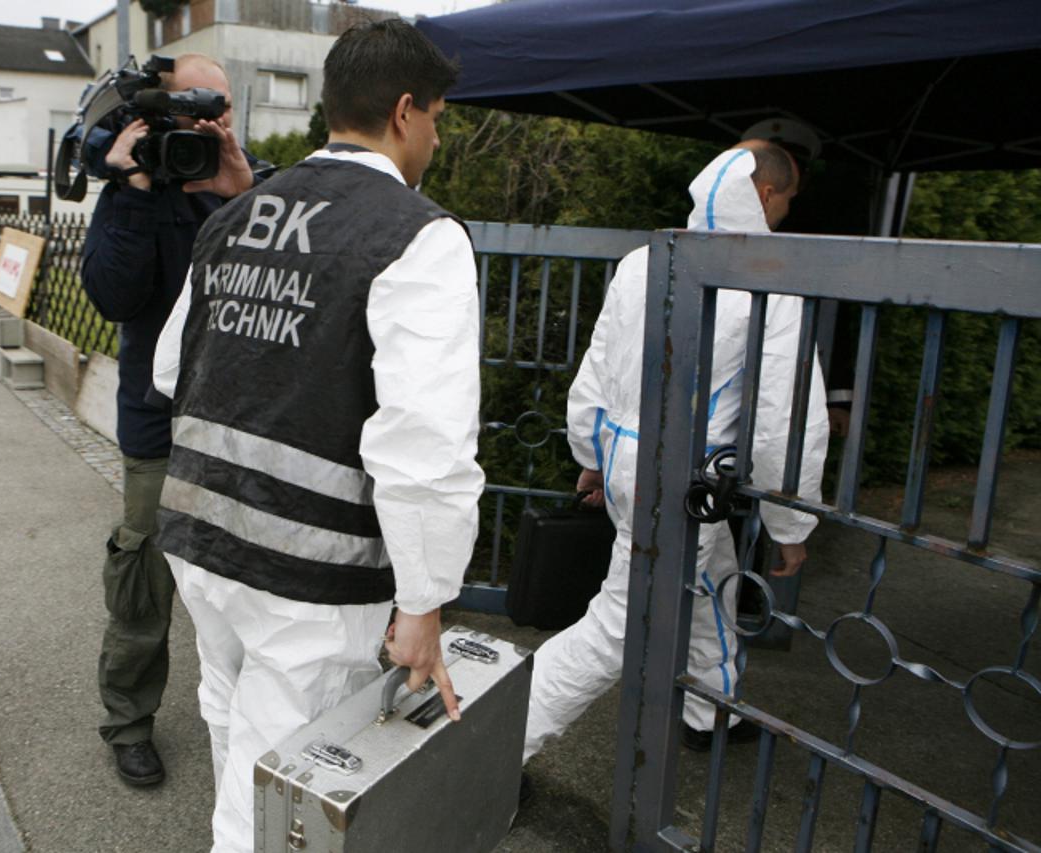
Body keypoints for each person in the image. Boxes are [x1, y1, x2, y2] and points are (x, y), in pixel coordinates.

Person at [151, 19, 481, 852]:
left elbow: (168, 369)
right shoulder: (417, 234)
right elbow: (426, 443)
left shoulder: (237, 214)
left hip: (199, 532)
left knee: (229, 711)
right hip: (308, 570)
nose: (436, 138)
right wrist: (424, 598)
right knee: (280, 782)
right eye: (437, 118)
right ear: (405, 112)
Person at [523, 141, 830, 767]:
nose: (788, 212)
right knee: (619, 624)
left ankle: (711, 713)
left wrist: (590, 453)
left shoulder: (645, 260)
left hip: (629, 462)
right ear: (766, 195)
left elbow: (597, 367)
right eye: (789, 199)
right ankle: (498, 740)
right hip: (685, 480)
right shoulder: (770, 280)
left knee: (707, 582)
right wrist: (791, 524)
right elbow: (782, 422)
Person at [80, 53, 260, 788]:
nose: (204, 123)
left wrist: (243, 190)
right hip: (158, 429)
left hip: (240, 425)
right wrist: (134, 186)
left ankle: (253, 711)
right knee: (143, 584)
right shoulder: (136, 187)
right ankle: (128, 721)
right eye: (189, 110)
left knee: (246, 582)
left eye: (216, 108)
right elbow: (115, 298)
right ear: (159, 113)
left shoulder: (248, 186)